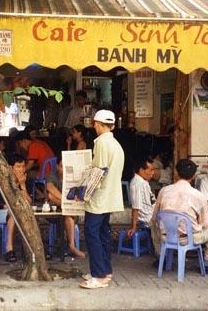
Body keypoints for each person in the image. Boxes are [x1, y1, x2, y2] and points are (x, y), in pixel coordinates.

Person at [150, 159, 208, 274]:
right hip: (187, 238)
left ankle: (160, 257)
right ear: (194, 176)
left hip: (167, 237)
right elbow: (204, 222)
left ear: (177, 173)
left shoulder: (164, 191)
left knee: (153, 222)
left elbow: (155, 217)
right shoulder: (198, 195)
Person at [79, 109, 124, 289]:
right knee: (103, 233)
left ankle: (98, 276)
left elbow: (99, 172)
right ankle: (106, 271)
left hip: (99, 198)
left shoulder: (101, 144)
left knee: (92, 233)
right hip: (109, 196)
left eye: (95, 124)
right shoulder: (115, 144)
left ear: (97, 124)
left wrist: (82, 192)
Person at [0, 154, 32, 262]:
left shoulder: (24, 180)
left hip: (19, 212)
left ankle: (33, 248)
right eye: (18, 166)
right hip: (2, 211)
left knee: (27, 214)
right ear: (11, 168)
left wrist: (23, 185)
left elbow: (28, 202)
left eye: (23, 166)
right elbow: (8, 203)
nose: (21, 169)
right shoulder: (4, 181)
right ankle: (9, 249)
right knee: (14, 213)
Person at [45, 157, 85, 258]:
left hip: (70, 211)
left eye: (65, 167)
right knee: (50, 195)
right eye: (61, 166)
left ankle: (72, 247)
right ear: (58, 167)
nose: (63, 169)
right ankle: (71, 248)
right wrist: (65, 201)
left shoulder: (74, 177)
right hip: (54, 210)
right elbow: (49, 187)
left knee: (68, 214)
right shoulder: (52, 175)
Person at [126, 158, 156, 238]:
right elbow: (136, 207)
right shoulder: (137, 184)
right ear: (141, 170)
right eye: (151, 170)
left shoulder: (143, 181)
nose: (153, 173)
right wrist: (134, 227)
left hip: (152, 215)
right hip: (147, 219)